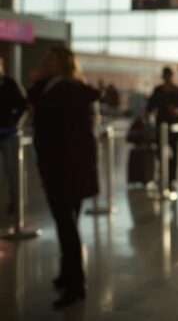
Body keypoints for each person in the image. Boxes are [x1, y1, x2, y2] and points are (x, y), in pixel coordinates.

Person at [26, 47, 101, 309]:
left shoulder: (61, 91)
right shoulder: (69, 88)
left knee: (66, 225)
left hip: (63, 169)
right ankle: (67, 275)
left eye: (51, 58)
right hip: (73, 168)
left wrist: (37, 82)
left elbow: (41, 110)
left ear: (63, 63)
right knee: (68, 223)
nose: (45, 62)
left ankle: (76, 284)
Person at [146, 67, 178, 189]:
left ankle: (172, 178)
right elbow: (150, 106)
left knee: (174, 154)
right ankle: (163, 176)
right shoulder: (158, 90)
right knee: (160, 153)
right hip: (161, 126)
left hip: (174, 127)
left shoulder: (177, 90)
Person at [0, 56, 27, 214]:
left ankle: (16, 201)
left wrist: (16, 122)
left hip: (9, 133)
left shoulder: (11, 84)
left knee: (13, 170)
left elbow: (23, 105)